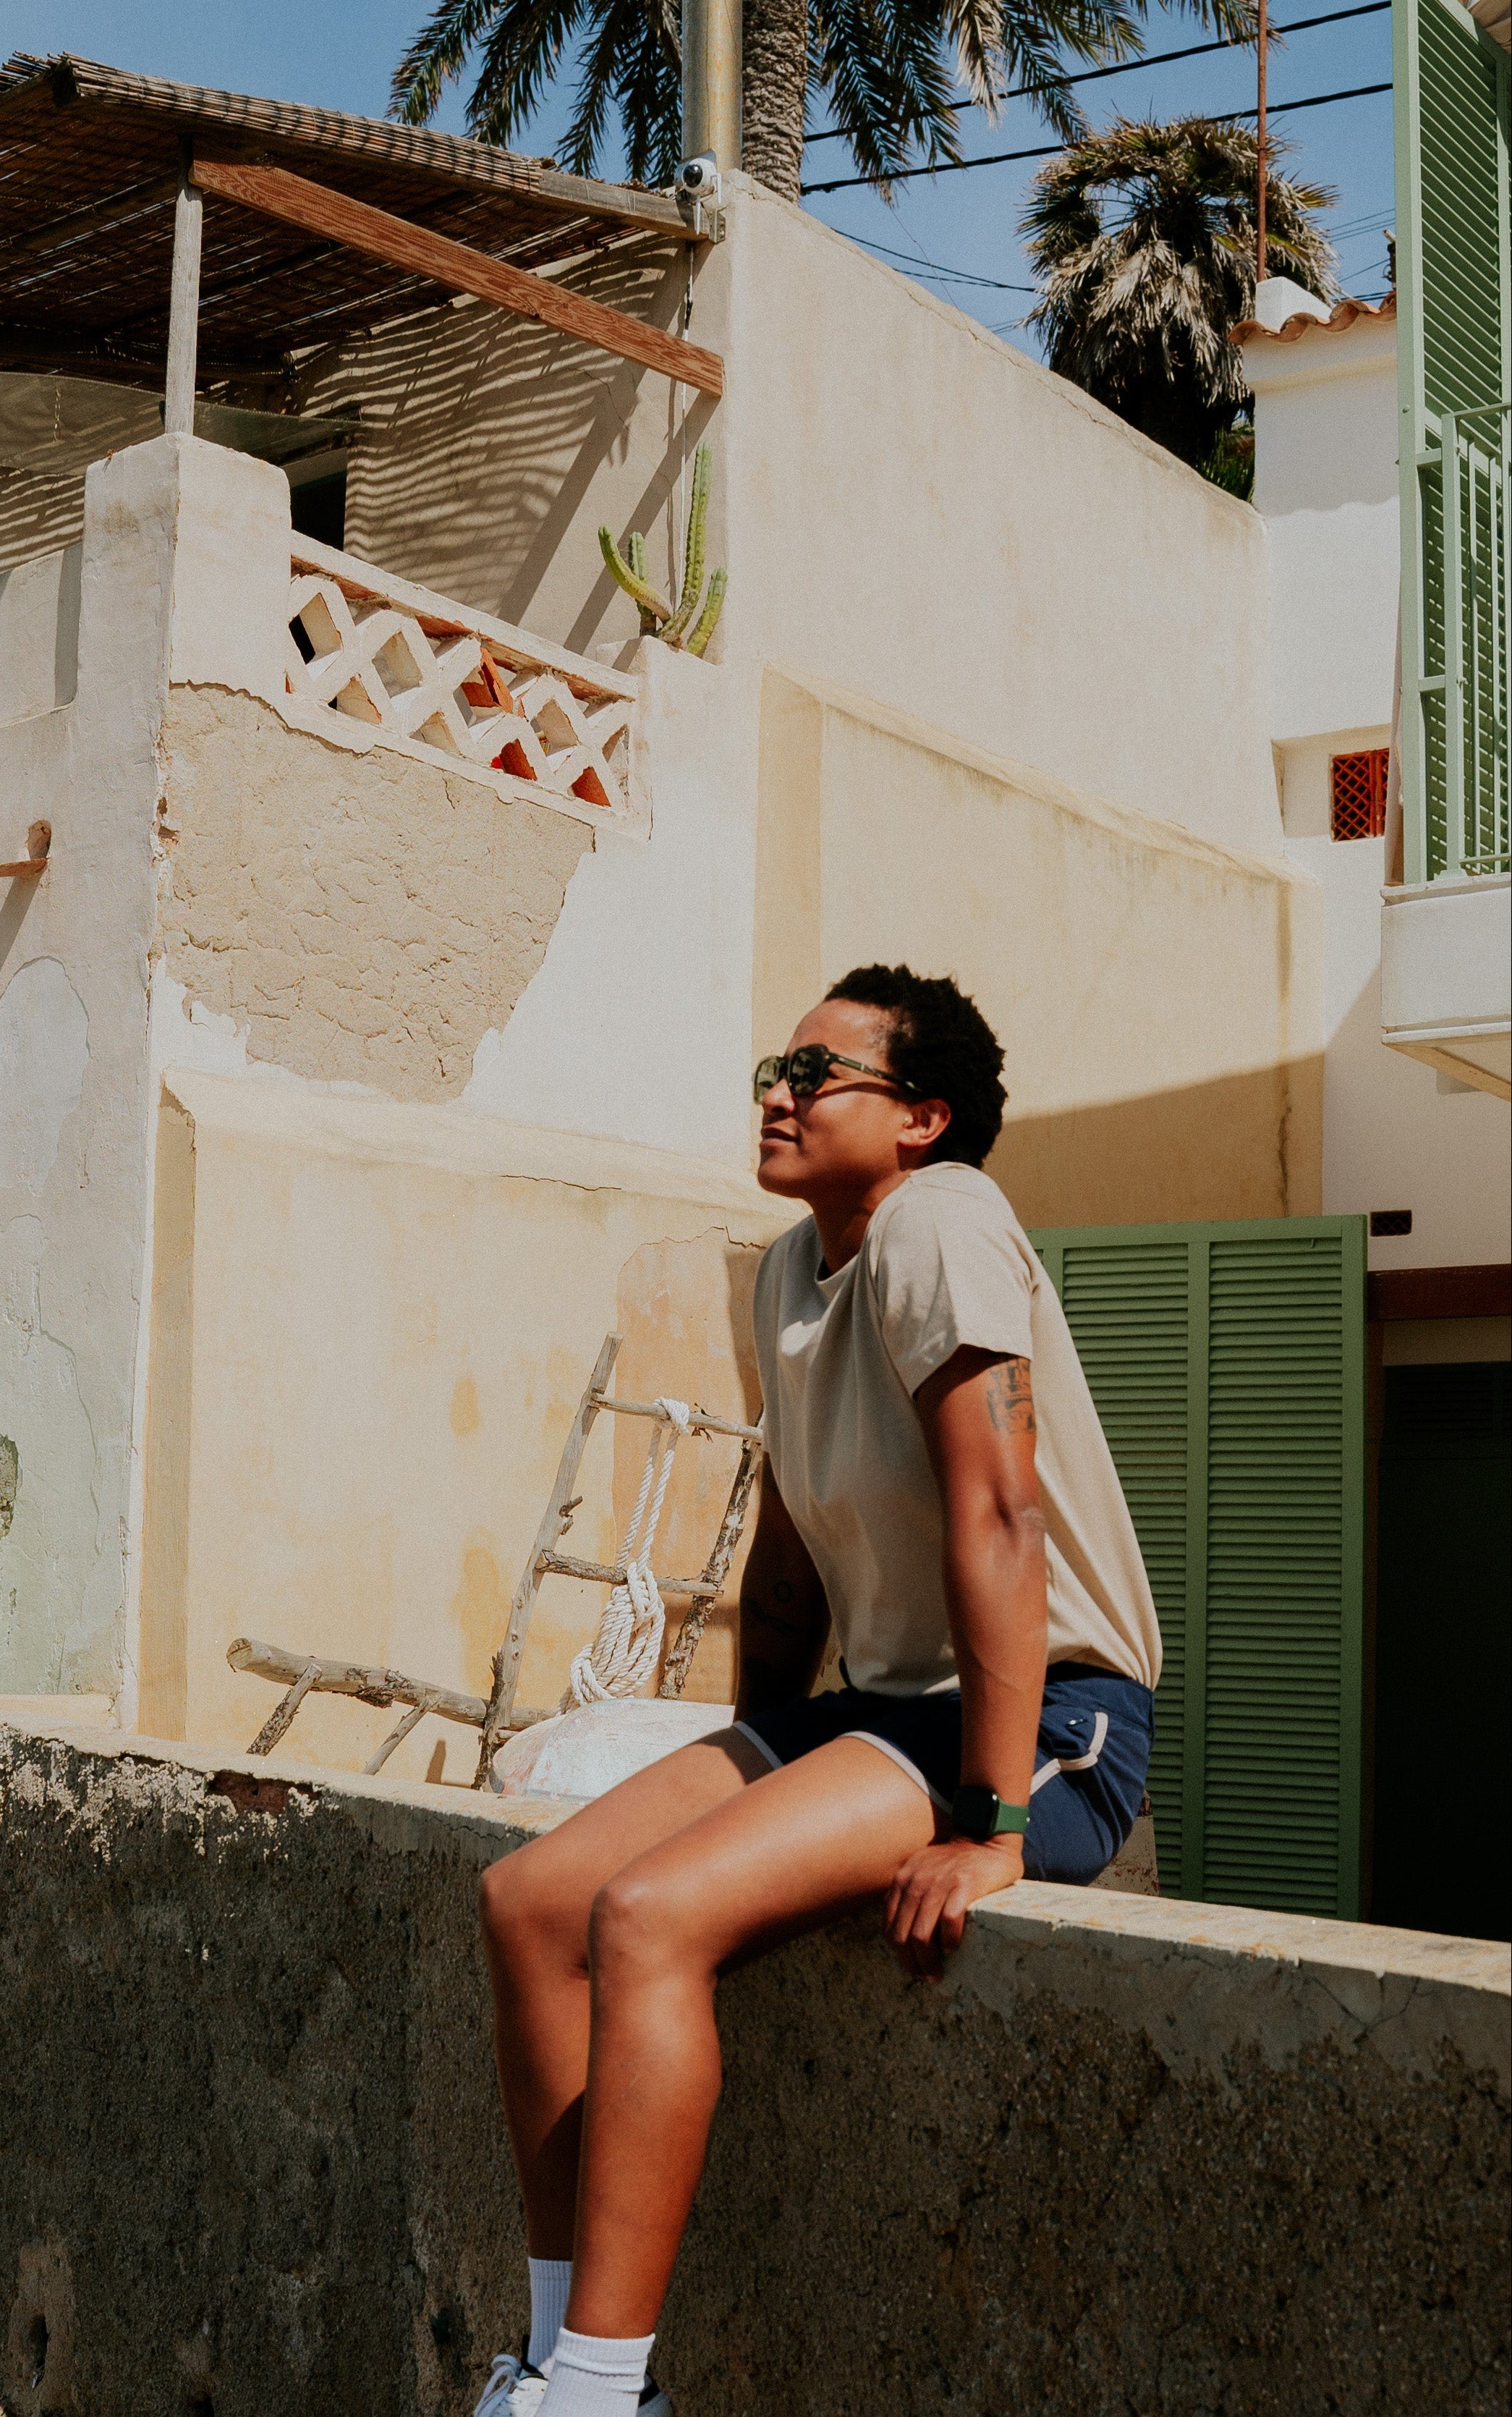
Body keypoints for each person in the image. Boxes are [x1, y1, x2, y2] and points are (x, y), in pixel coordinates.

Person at [470, 964, 1161, 2416]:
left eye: (814, 1074)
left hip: (1044, 1716)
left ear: (923, 1117)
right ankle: (542, 2361)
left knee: (649, 1917)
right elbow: (787, 1553)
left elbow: (1000, 1514)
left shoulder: (943, 1218)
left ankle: (601, 2394)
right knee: (532, 1905)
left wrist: (991, 1826)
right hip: (876, 1710)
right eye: (770, 1074)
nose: (777, 1097)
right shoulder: (791, 1270)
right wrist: (745, 1745)